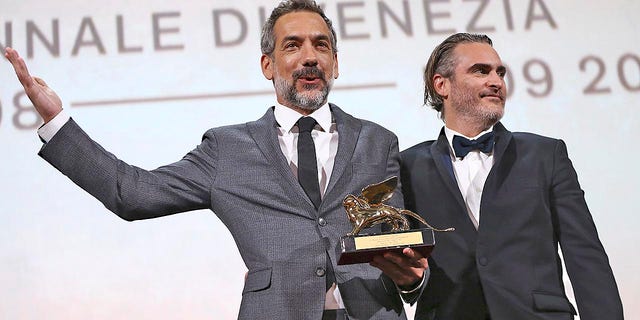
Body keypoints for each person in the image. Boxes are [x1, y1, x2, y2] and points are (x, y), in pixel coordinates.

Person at [4, 1, 428, 319]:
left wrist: (413, 281)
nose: (310, 56)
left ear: (336, 63)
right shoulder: (229, 149)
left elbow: (396, 244)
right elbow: (130, 193)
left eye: (321, 46)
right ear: (268, 64)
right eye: (292, 45)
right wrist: (56, 121)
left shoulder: (379, 141)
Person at [400, 33, 623, 320]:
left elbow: (585, 257)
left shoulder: (546, 154)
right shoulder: (407, 165)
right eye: (480, 71)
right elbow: (401, 266)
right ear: (442, 85)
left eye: (500, 72)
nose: (496, 81)